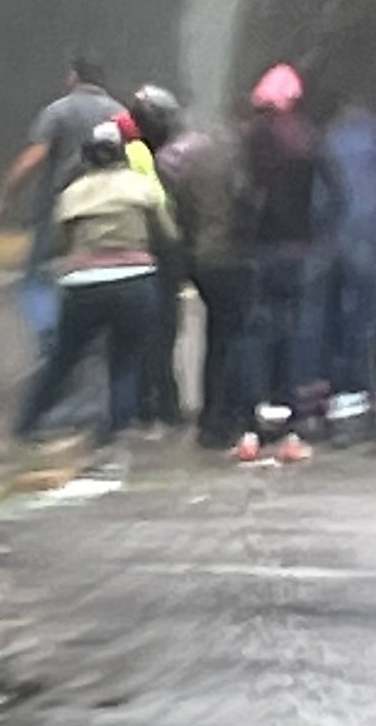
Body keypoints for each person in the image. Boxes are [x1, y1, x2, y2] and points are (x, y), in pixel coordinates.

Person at [12, 121, 177, 443]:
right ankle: (115, 430)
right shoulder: (140, 188)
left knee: (64, 357)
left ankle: (28, 423)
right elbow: (167, 235)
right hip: (134, 282)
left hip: (83, 287)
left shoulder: (72, 195)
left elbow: (58, 243)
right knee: (125, 359)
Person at [0, 56, 125, 357]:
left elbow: (33, 158)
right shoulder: (120, 114)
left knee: (38, 278)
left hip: (58, 209)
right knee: (95, 273)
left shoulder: (59, 111)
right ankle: (92, 341)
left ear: (74, 77)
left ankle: (51, 337)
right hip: (107, 210)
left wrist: (5, 197)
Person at [243, 64, 335, 462]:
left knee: (257, 335)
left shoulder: (253, 140)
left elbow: (239, 192)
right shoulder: (309, 139)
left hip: (261, 249)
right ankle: (293, 422)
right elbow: (338, 195)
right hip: (300, 251)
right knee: (295, 333)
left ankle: (253, 422)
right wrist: (320, 234)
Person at [159, 107, 261, 453]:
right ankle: (232, 416)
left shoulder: (189, 163)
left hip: (200, 259)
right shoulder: (236, 160)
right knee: (235, 337)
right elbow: (247, 203)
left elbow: (180, 209)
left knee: (216, 338)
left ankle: (209, 418)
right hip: (231, 256)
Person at [316, 96, 376, 418]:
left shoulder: (327, 140)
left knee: (329, 319)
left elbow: (320, 196)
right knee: (364, 319)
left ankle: (332, 386)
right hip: (369, 242)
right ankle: (361, 389)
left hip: (330, 240)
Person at [127, 86, 184, 430]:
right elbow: (160, 207)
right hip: (154, 251)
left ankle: (147, 402)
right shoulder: (147, 157)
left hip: (138, 252)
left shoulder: (133, 152)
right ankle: (160, 403)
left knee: (148, 332)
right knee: (160, 331)